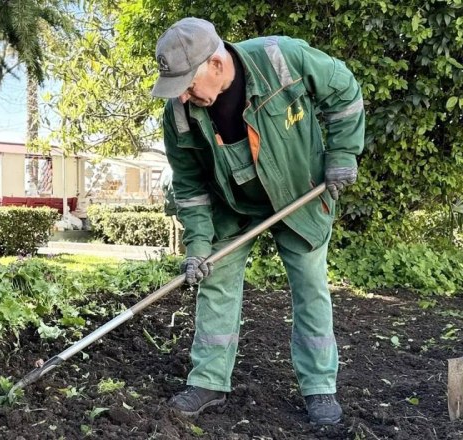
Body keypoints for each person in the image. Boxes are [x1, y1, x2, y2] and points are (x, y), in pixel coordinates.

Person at [151, 18, 364, 425]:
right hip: (231, 203)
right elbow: (190, 185)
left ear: (215, 64)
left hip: (298, 192)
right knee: (214, 281)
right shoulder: (178, 113)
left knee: (310, 285)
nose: (184, 95)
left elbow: (345, 91)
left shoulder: (281, 57)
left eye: (188, 83)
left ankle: (320, 389)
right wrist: (197, 245)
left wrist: (342, 154)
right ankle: (209, 380)